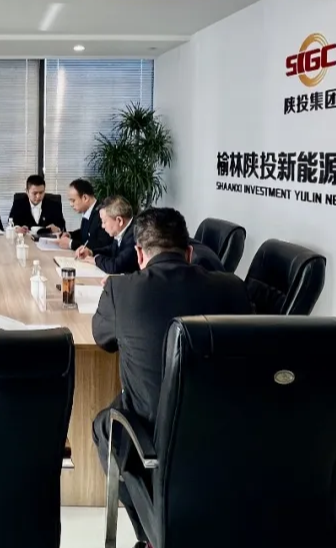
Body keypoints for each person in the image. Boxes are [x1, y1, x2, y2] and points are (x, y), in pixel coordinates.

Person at [91, 207, 253, 545]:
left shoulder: (120, 290)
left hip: (155, 437)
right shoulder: (233, 288)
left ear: (139, 254)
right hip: (230, 432)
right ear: (189, 253)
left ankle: (150, 532)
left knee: (105, 425)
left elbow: (103, 340)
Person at [76, 196, 138, 275]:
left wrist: (96, 260)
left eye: (104, 222)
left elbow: (116, 266)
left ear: (119, 220)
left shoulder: (135, 236)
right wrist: (91, 252)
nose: (102, 226)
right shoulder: (124, 229)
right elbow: (112, 249)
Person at [58, 178, 112, 252]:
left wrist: (71, 243)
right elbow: (85, 233)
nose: (71, 204)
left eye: (73, 200)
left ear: (85, 198)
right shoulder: (88, 211)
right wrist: (70, 235)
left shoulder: (102, 214)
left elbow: (101, 245)